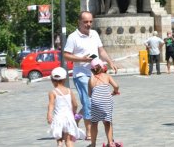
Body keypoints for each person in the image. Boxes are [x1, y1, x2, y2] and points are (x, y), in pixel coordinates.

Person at [64, 11, 118, 140]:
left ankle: (76, 119)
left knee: (97, 101)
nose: (88, 24)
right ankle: (89, 132)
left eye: (90, 22)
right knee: (88, 102)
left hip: (97, 74)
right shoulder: (73, 37)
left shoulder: (94, 34)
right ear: (79, 22)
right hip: (81, 74)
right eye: (85, 22)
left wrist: (110, 62)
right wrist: (82, 59)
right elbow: (66, 55)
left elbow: (101, 50)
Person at [47, 67, 86, 147]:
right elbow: (75, 104)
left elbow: (51, 105)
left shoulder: (52, 92)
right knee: (69, 141)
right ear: (65, 79)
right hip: (69, 118)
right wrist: (74, 113)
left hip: (58, 119)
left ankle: (60, 144)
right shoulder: (69, 91)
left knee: (59, 140)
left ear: (52, 79)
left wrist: (49, 115)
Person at [88, 58, 120, 147]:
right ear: (102, 67)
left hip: (95, 101)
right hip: (107, 100)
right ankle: (110, 143)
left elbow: (90, 94)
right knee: (107, 122)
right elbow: (116, 86)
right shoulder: (107, 76)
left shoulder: (91, 79)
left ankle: (93, 144)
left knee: (94, 123)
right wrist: (115, 92)